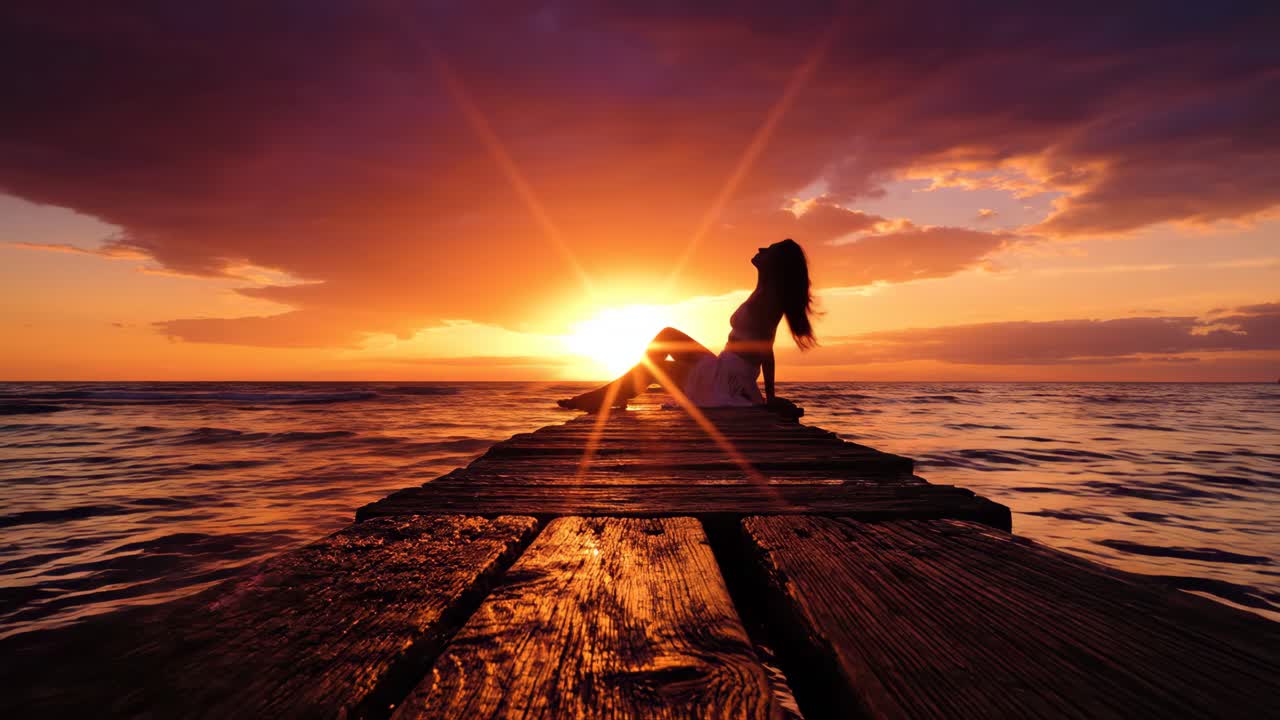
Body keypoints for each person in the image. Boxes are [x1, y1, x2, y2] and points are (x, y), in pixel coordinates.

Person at [558, 238, 816, 414]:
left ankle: (607, 397)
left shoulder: (769, 298)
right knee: (659, 363)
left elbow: (765, 348)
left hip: (728, 377)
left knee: (666, 338)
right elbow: (764, 347)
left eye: (768, 250)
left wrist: (767, 396)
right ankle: (610, 396)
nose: (760, 249)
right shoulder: (763, 293)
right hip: (727, 369)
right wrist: (765, 394)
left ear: (776, 265)